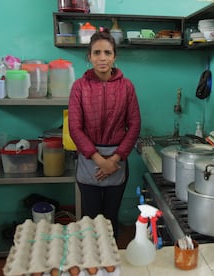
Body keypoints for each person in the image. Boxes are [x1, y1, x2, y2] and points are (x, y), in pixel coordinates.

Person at [68, 29, 141, 237]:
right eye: (97, 53)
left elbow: (134, 125)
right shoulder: (79, 88)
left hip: (118, 160)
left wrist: (114, 160)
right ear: (89, 56)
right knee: (91, 220)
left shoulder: (127, 87)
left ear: (114, 56)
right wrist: (101, 161)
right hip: (89, 160)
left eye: (107, 53)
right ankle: (94, 265)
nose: (102, 58)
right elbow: (75, 127)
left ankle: (111, 263)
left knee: (110, 219)